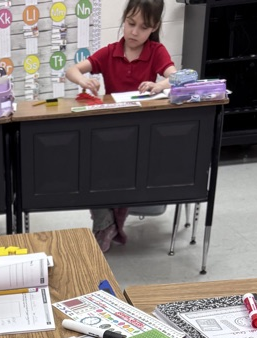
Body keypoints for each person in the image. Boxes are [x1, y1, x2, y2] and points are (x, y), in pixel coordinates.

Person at [65, 0, 176, 251]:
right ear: (124, 19)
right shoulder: (110, 51)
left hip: (141, 134)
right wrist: (84, 80)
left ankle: (108, 225)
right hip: (111, 132)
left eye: (143, 27)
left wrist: (159, 85)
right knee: (89, 164)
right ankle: (105, 224)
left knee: (122, 168)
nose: (135, 32)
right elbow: (72, 70)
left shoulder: (156, 51)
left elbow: (177, 77)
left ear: (154, 27)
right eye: (130, 23)